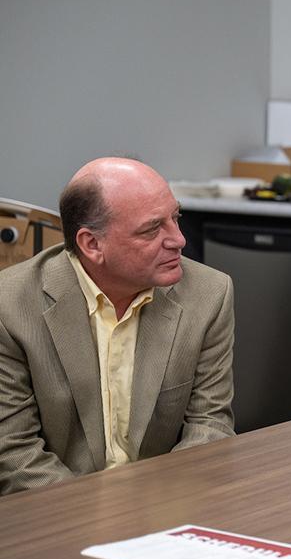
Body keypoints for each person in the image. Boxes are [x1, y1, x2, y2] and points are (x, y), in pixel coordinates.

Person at [0, 157, 236, 495]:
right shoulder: (9, 306)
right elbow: (15, 454)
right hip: (56, 511)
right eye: (152, 229)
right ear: (91, 244)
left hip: (164, 507)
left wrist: (150, 516)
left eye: (175, 218)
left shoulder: (209, 294)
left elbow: (210, 428)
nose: (179, 240)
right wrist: (98, 520)